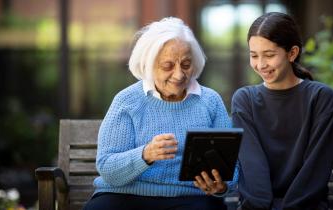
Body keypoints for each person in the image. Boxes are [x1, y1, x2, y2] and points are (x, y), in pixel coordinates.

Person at [83, 17, 236, 210]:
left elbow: (232, 168)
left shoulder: (210, 101)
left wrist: (220, 186)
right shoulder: (127, 101)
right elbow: (107, 168)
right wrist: (145, 154)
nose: (179, 75)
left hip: (190, 197)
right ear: (148, 63)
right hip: (126, 195)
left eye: (186, 64)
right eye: (168, 66)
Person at [231, 12, 333, 210]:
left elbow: (315, 171)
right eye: (254, 55)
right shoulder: (244, 100)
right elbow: (253, 168)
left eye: (270, 55)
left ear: (292, 53)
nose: (261, 64)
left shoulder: (320, 99)